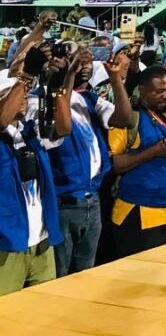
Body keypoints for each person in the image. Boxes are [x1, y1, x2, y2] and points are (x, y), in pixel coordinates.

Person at [0, 46, 78, 295]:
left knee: (43, 311)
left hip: (42, 240)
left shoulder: (29, 133)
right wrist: (27, 76)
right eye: (13, 92)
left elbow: (63, 129)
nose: (23, 95)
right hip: (7, 245)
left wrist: (59, 87)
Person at [49, 46, 133, 277]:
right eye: (76, 60)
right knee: (60, 276)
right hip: (63, 201)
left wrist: (115, 78)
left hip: (92, 198)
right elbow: (62, 127)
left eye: (86, 61)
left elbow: (125, 119)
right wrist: (68, 75)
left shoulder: (88, 98)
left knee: (85, 274)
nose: (83, 65)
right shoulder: (41, 99)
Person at [108, 65, 166, 256]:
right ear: (142, 90)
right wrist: (154, 151)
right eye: (158, 91)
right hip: (141, 213)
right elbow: (115, 165)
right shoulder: (130, 120)